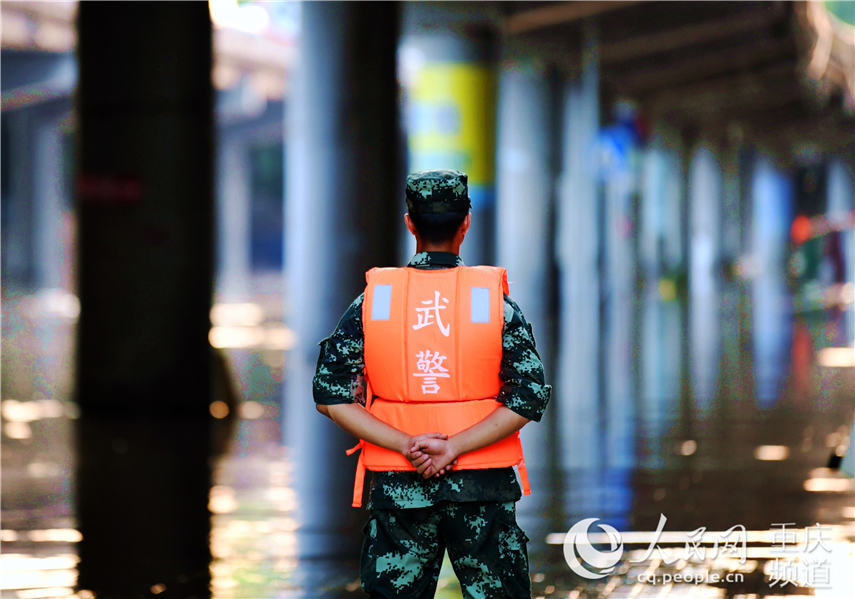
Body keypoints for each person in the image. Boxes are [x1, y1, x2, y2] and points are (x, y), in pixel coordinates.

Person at [313, 169, 551, 599]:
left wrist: (407, 445)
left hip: (399, 486)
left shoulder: (375, 301)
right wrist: (454, 446)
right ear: (466, 223)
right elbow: (529, 396)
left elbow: (331, 396)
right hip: (482, 486)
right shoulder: (492, 301)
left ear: (410, 223)